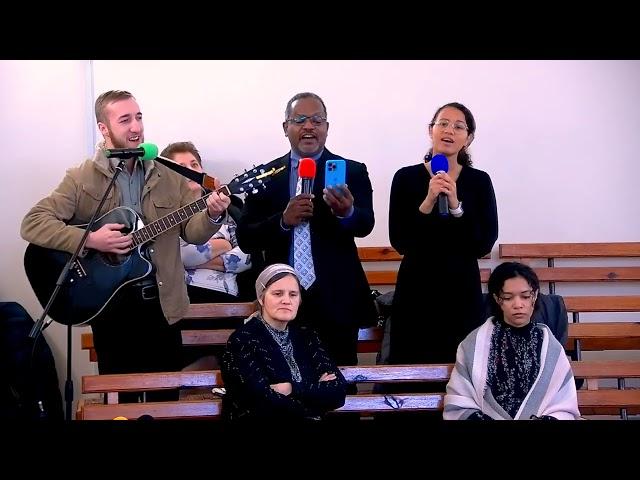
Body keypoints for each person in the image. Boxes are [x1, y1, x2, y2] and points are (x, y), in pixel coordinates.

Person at [20, 90, 230, 400]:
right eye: (125, 120)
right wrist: (90, 239)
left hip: (162, 304)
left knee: (164, 398)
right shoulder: (81, 178)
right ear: (103, 128)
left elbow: (193, 232)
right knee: (122, 402)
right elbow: (33, 222)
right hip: (110, 308)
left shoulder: (170, 174)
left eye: (139, 117)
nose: (136, 127)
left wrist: (212, 214)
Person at [236, 92, 376, 367]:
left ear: (327, 127)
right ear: (285, 127)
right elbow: (246, 238)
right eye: (299, 120)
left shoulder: (353, 171)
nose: (309, 126)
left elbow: (366, 225)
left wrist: (347, 213)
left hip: (337, 299)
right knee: (283, 379)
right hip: (281, 299)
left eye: (317, 120)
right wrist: (282, 221)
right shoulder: (265, 177)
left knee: (339, 380)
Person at [387, 102, 499, 370]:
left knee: (462, 372)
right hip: (416, 291)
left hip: (461, 291)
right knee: (411, 372)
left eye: (459, 127)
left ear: (468, 138)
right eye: (443, 124)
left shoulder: (479, 181)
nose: (449, 131)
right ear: (431, 130)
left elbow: (483, 243)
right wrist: (427, 201)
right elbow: (400, 240)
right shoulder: (405, 178)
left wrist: (456, 206)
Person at [444, 262, 581, 420]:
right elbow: (459, 403)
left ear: (534, 296)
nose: (518, 305)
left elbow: (563, 406)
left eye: (525, 296)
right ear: (497, 299)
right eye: (508, 298)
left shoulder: (550, 346)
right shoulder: (472, 344)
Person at [220, 263, 347, 422]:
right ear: (261, 298)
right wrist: (315, 397)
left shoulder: (307, 336)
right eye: (278, 294)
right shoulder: (242, 339)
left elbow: (338, 391)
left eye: (293, 294)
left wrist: (291, 388)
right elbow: (259, 402)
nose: (286, 300)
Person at [160, 141, 252, 303]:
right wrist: (224, 245)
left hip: (230, 300)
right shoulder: (161, 212)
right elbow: (175, 256)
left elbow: (248, 256)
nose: (190, 170)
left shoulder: (228, 206)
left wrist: (194, 260)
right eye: (181, 167)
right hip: (183, 298)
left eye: (194, 165)